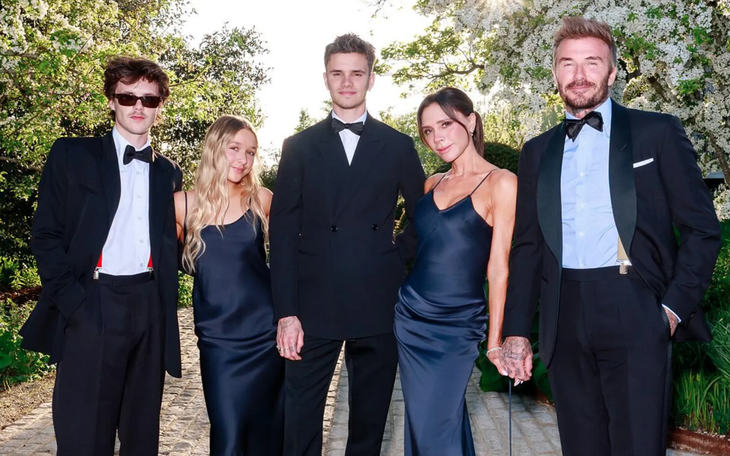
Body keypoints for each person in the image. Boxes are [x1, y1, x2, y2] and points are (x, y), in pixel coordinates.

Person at [500, 16, 721, 456]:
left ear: (613, 72)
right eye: (568, 63)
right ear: (555, 73)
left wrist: (671, 310)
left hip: (635, 305)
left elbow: (702, 229)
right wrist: (517, 331)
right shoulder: (537, 151)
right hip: (563, 313)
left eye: (592, 62)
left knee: (638, 445)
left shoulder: (657, 132)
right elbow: (527, 247)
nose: (579, 74)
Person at [270, 33, 426, 456]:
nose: (346, 82)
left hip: (377, 300)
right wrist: (285, 312)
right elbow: (282, 233)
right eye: (337, 73)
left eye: (356, 73)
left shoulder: (397, 146)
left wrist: (394, 256)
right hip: (312, 305)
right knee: (299, 421)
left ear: (371, 79)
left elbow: (423, 217)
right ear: (325, 78)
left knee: (369, 425)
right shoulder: (299, 147)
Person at [20, 56, 182, 456]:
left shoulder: (169, 173)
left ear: (160, 106)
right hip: (91, 303)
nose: (138, 106)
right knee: (84, 438)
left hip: (149, 307)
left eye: (149, 99)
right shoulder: (73, 155)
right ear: (111, 100)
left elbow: (175, 244)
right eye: (128, 97)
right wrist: (74, 304)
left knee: (141, 438)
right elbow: (46, 235)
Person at [394, 87, 516, 456]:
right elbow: (419, 245)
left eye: (445, 124)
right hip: (411, 317)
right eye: (428, 131)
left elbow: (499, 267)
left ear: (471, 121)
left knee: (436, 424)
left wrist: (494, 341)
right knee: (426, 422)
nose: (437, 137)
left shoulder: (502, 183)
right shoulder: (432, 183)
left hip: (457, 325)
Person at [175, 115, 284, 455]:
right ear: (214, 148)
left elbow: (291, 262)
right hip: (217, 339)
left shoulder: (262, 199)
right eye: (234, 148)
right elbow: (165, 261)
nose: (243, 159)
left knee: (268, 436)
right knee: (229, 435)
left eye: (251, 152)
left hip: (265, 335)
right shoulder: (182, 204)